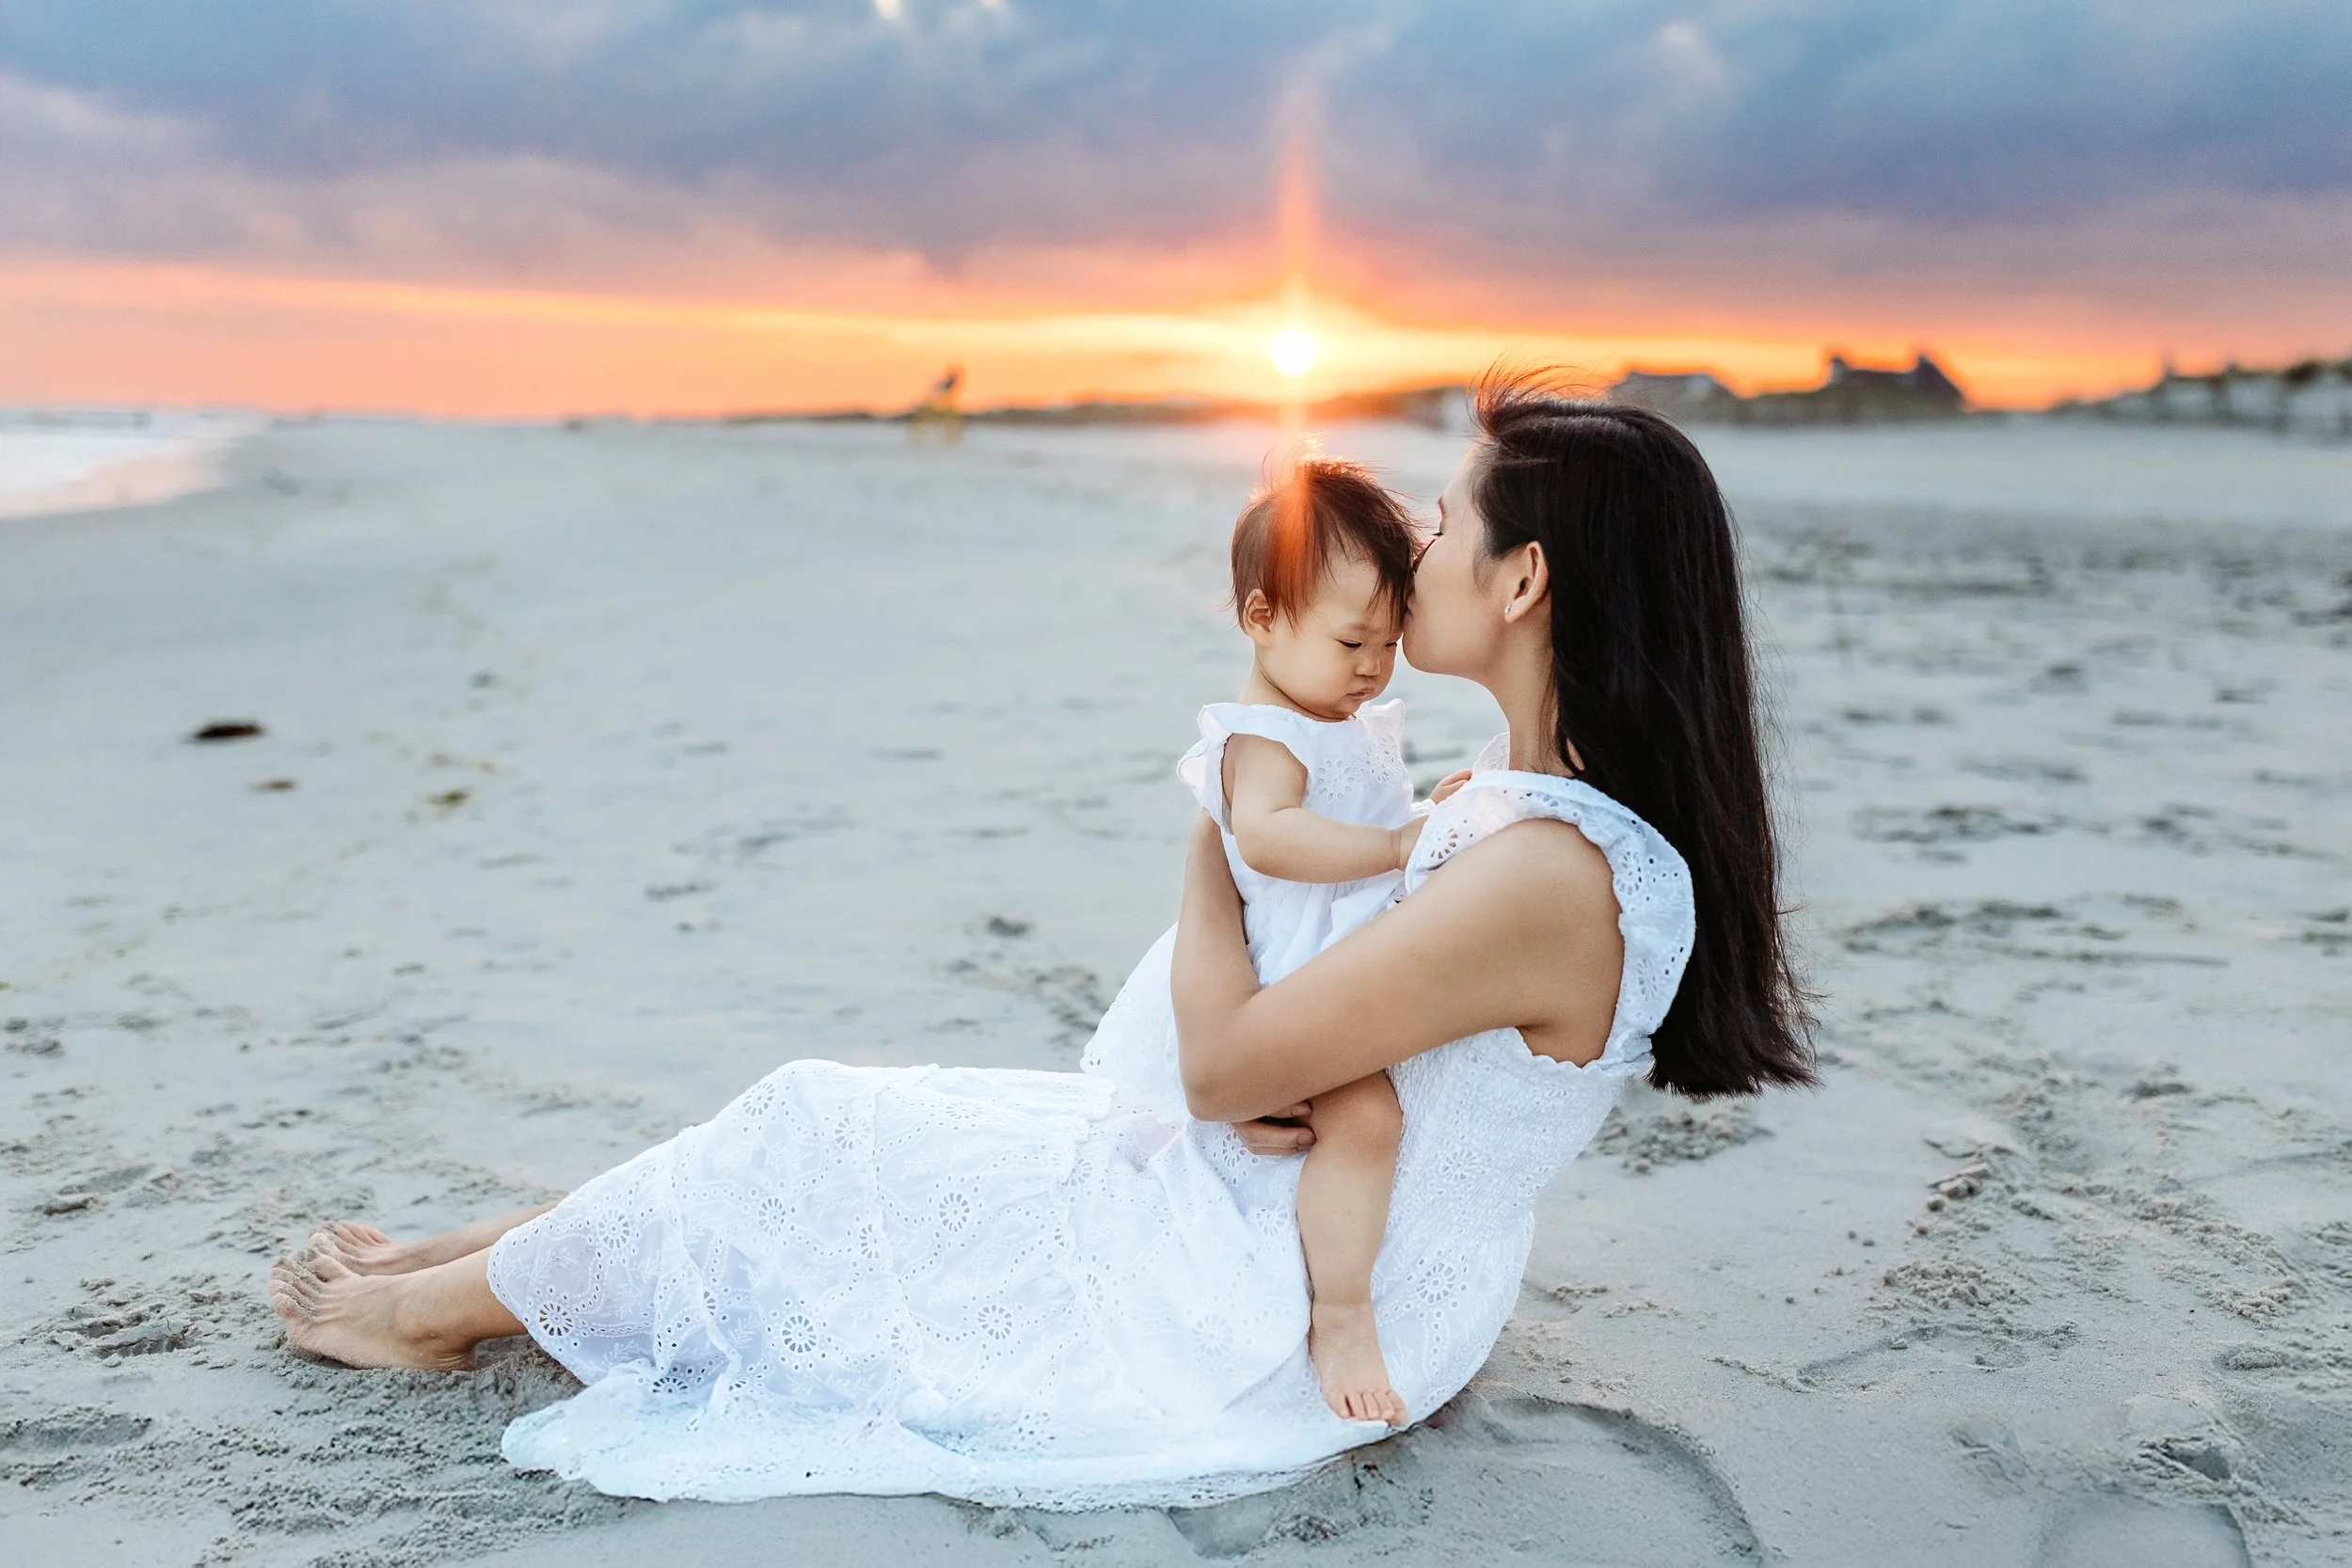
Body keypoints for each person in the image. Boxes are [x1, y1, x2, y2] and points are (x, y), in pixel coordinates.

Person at [270, 371, 1814, 1511]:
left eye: (1452, 516)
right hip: (1287, 1212)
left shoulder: (1546, 869)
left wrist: (1212, 842)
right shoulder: (1521, 804)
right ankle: (479, 1264)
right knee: (849, 1129)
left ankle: (424, 1313)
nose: (1418, 539)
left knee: (828, 1128)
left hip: (1291, 1300)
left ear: (1526, 578)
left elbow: (1220, 1066)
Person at [1089, 452, 1467, 1427]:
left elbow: (1370, 807)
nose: (1373, 667)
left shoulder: (1333, 716)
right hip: (1291, 969)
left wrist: (1425, 813)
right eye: (1350, 640)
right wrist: (1392, 842)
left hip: (1338, 943)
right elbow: (1266, 832)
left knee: (1375, 1118)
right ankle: (1339, 1311)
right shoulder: (1263, 738)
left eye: (1387, 642)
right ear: (1261, 621)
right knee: (1365, 1119)